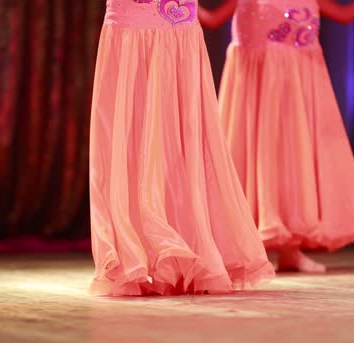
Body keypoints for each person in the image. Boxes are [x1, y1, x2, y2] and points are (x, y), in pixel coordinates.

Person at [89, 0, 276, 296]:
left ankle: (181, 256)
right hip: (131, 29)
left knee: (180, 143)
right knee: (133, 136)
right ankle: (136, 257)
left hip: (179, 34)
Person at [200, 0, 354, 272]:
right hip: (256, 91)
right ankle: (245, 248)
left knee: (292, 160)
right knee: (255, 157)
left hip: (298, 91)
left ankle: (290, 250)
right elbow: (214, 20)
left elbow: (345, 15)